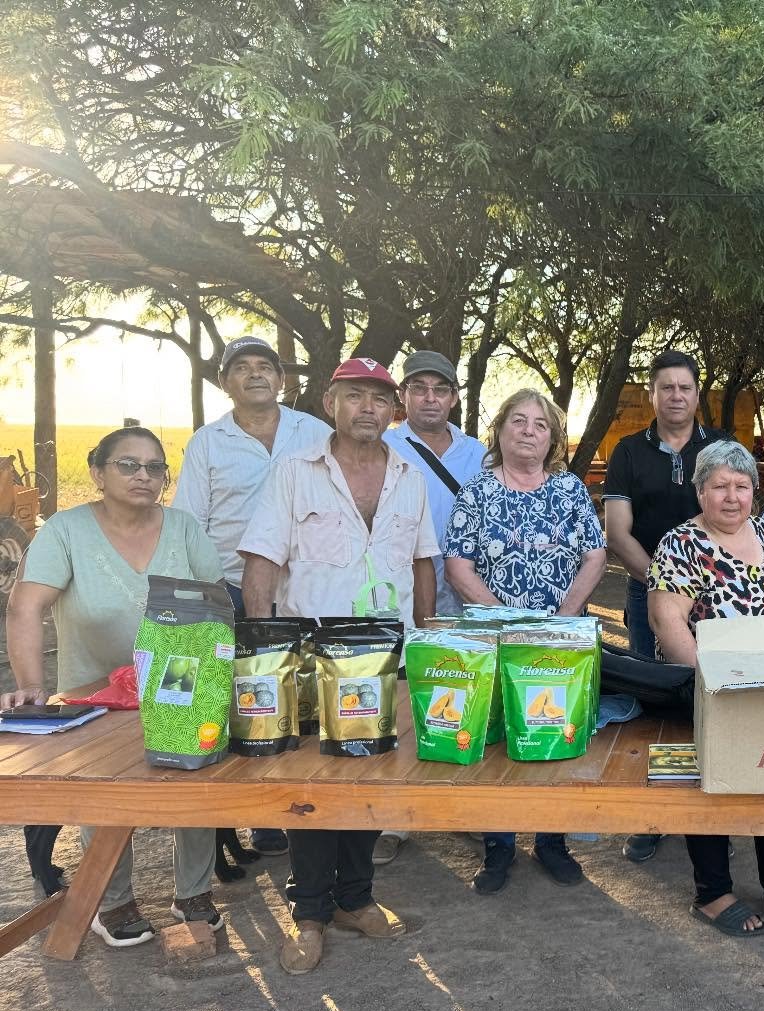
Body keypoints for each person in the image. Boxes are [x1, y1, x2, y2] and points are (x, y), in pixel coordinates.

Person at [239, 356, 438, 975]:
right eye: (355, 396)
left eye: (379, 398)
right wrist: (264, 654)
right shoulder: (295, 472)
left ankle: (356, 898)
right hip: (310, 662)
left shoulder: (409, 475)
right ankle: (309, 913)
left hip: (385, 661)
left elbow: (422, 563)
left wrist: (424, 642)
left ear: (393, 409)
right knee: (312, 787)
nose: (367, 408)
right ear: (331, 403)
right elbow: (262, 562)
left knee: (372, 779)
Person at [3, 427, 224, 946]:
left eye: (154, 467)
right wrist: (32, 685)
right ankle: (113, 899)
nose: (143, 475)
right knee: (102, 793)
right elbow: (25, 607)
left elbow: (216, 606)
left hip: (179, 683)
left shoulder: (184, 528)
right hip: (93, 693)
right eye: (128, 464)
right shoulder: (66, 531)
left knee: (194, 777)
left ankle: (194, 891)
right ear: (98, 472)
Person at [173, 334, 332, 859]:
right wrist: (206, 600)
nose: (256, 374)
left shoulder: (313, 432)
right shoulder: (208, 442)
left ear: (281, 379)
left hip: (302, 591)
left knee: (299, 704)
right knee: (240, 705)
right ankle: (249, 817)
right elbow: (190, 524)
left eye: (265, 365)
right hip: (232, 591)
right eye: (242, 367)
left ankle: (297, 806)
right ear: (225, 382)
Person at [444, 388, 606, 894]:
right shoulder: (476, 492)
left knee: (555, 731)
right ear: (499, 430)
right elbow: (458, 567)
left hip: (560, 640)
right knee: (496, 740)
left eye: (540, 424)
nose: (529, 431)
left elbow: (595, 556)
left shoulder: (570, 490)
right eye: (518, 420)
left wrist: (563, 618)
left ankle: (552, 842)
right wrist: (508, 623)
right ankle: (499, 846)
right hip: (496, 640)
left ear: (552, 438)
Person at [649, 440, 764, 938]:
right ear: (700, 491)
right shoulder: (681, 543)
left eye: (742, 486)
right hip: (710, 687)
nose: (732, 496)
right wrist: (708, 684)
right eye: (720, 486)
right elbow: (666, 620)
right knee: (712, 782)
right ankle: (713, 892)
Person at [603, 350, 728, 863]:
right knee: (654, 703)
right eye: (667, 387)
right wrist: (666, 587)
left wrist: (697, 589)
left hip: (718, 601)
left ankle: (715, 808)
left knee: (713, 697)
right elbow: (618, 533)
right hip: (646, 591)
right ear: (652, 395)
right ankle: (653, 816)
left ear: (697, 394)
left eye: (685, 387)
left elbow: (739, 519)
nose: (676, 395)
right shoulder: (628, 452)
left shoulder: (721, 448)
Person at [375, 349, 487, 865]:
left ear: (454, 398)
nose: (429, 398)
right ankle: (394, 818)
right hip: (402, 584)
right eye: (418, 388)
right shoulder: (385, 445)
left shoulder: (477, 453)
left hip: (464, 585)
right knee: (403, 697)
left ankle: (462, 808)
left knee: (464, 691)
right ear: (403, 396)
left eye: (440, 389)